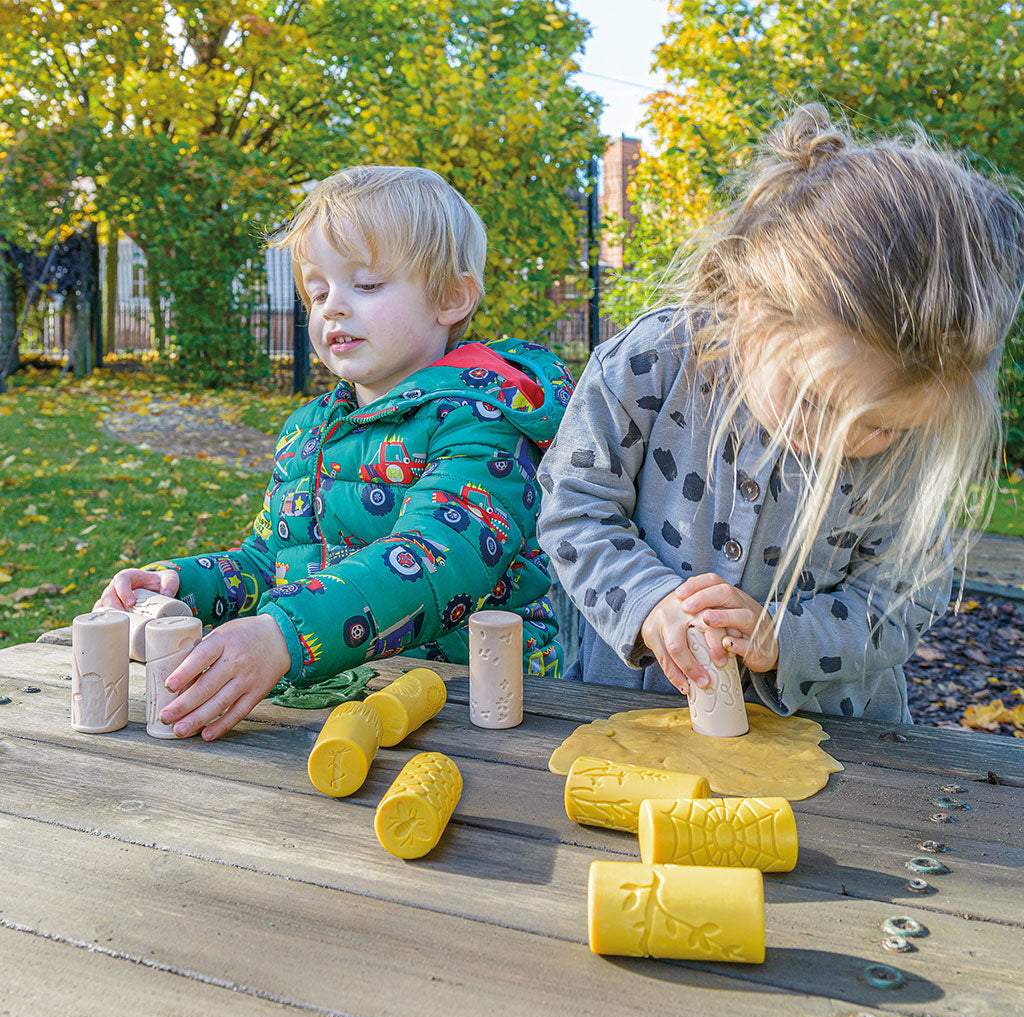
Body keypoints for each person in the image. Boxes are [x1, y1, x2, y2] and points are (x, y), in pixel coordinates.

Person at [537, 105, 1024, 724]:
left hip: (841, 739)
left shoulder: (915, 440)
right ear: (751, 305)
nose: (834, 442)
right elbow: (574, 507)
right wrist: (649, 601)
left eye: (882, 428)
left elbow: (901, 602)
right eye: (814, 401)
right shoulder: (652, 365)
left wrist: (782, 636)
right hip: (639, 715)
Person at [96, 165, 574, 739]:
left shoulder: (482, 420)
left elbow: (435, 559)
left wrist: (283, 635)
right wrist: (183, 584)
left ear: (450, 297)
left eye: (366, 285)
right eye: (318, 292)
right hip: (337, 701)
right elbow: (269, 562)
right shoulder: (308, 431)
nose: (332, 307)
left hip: (481, 711)